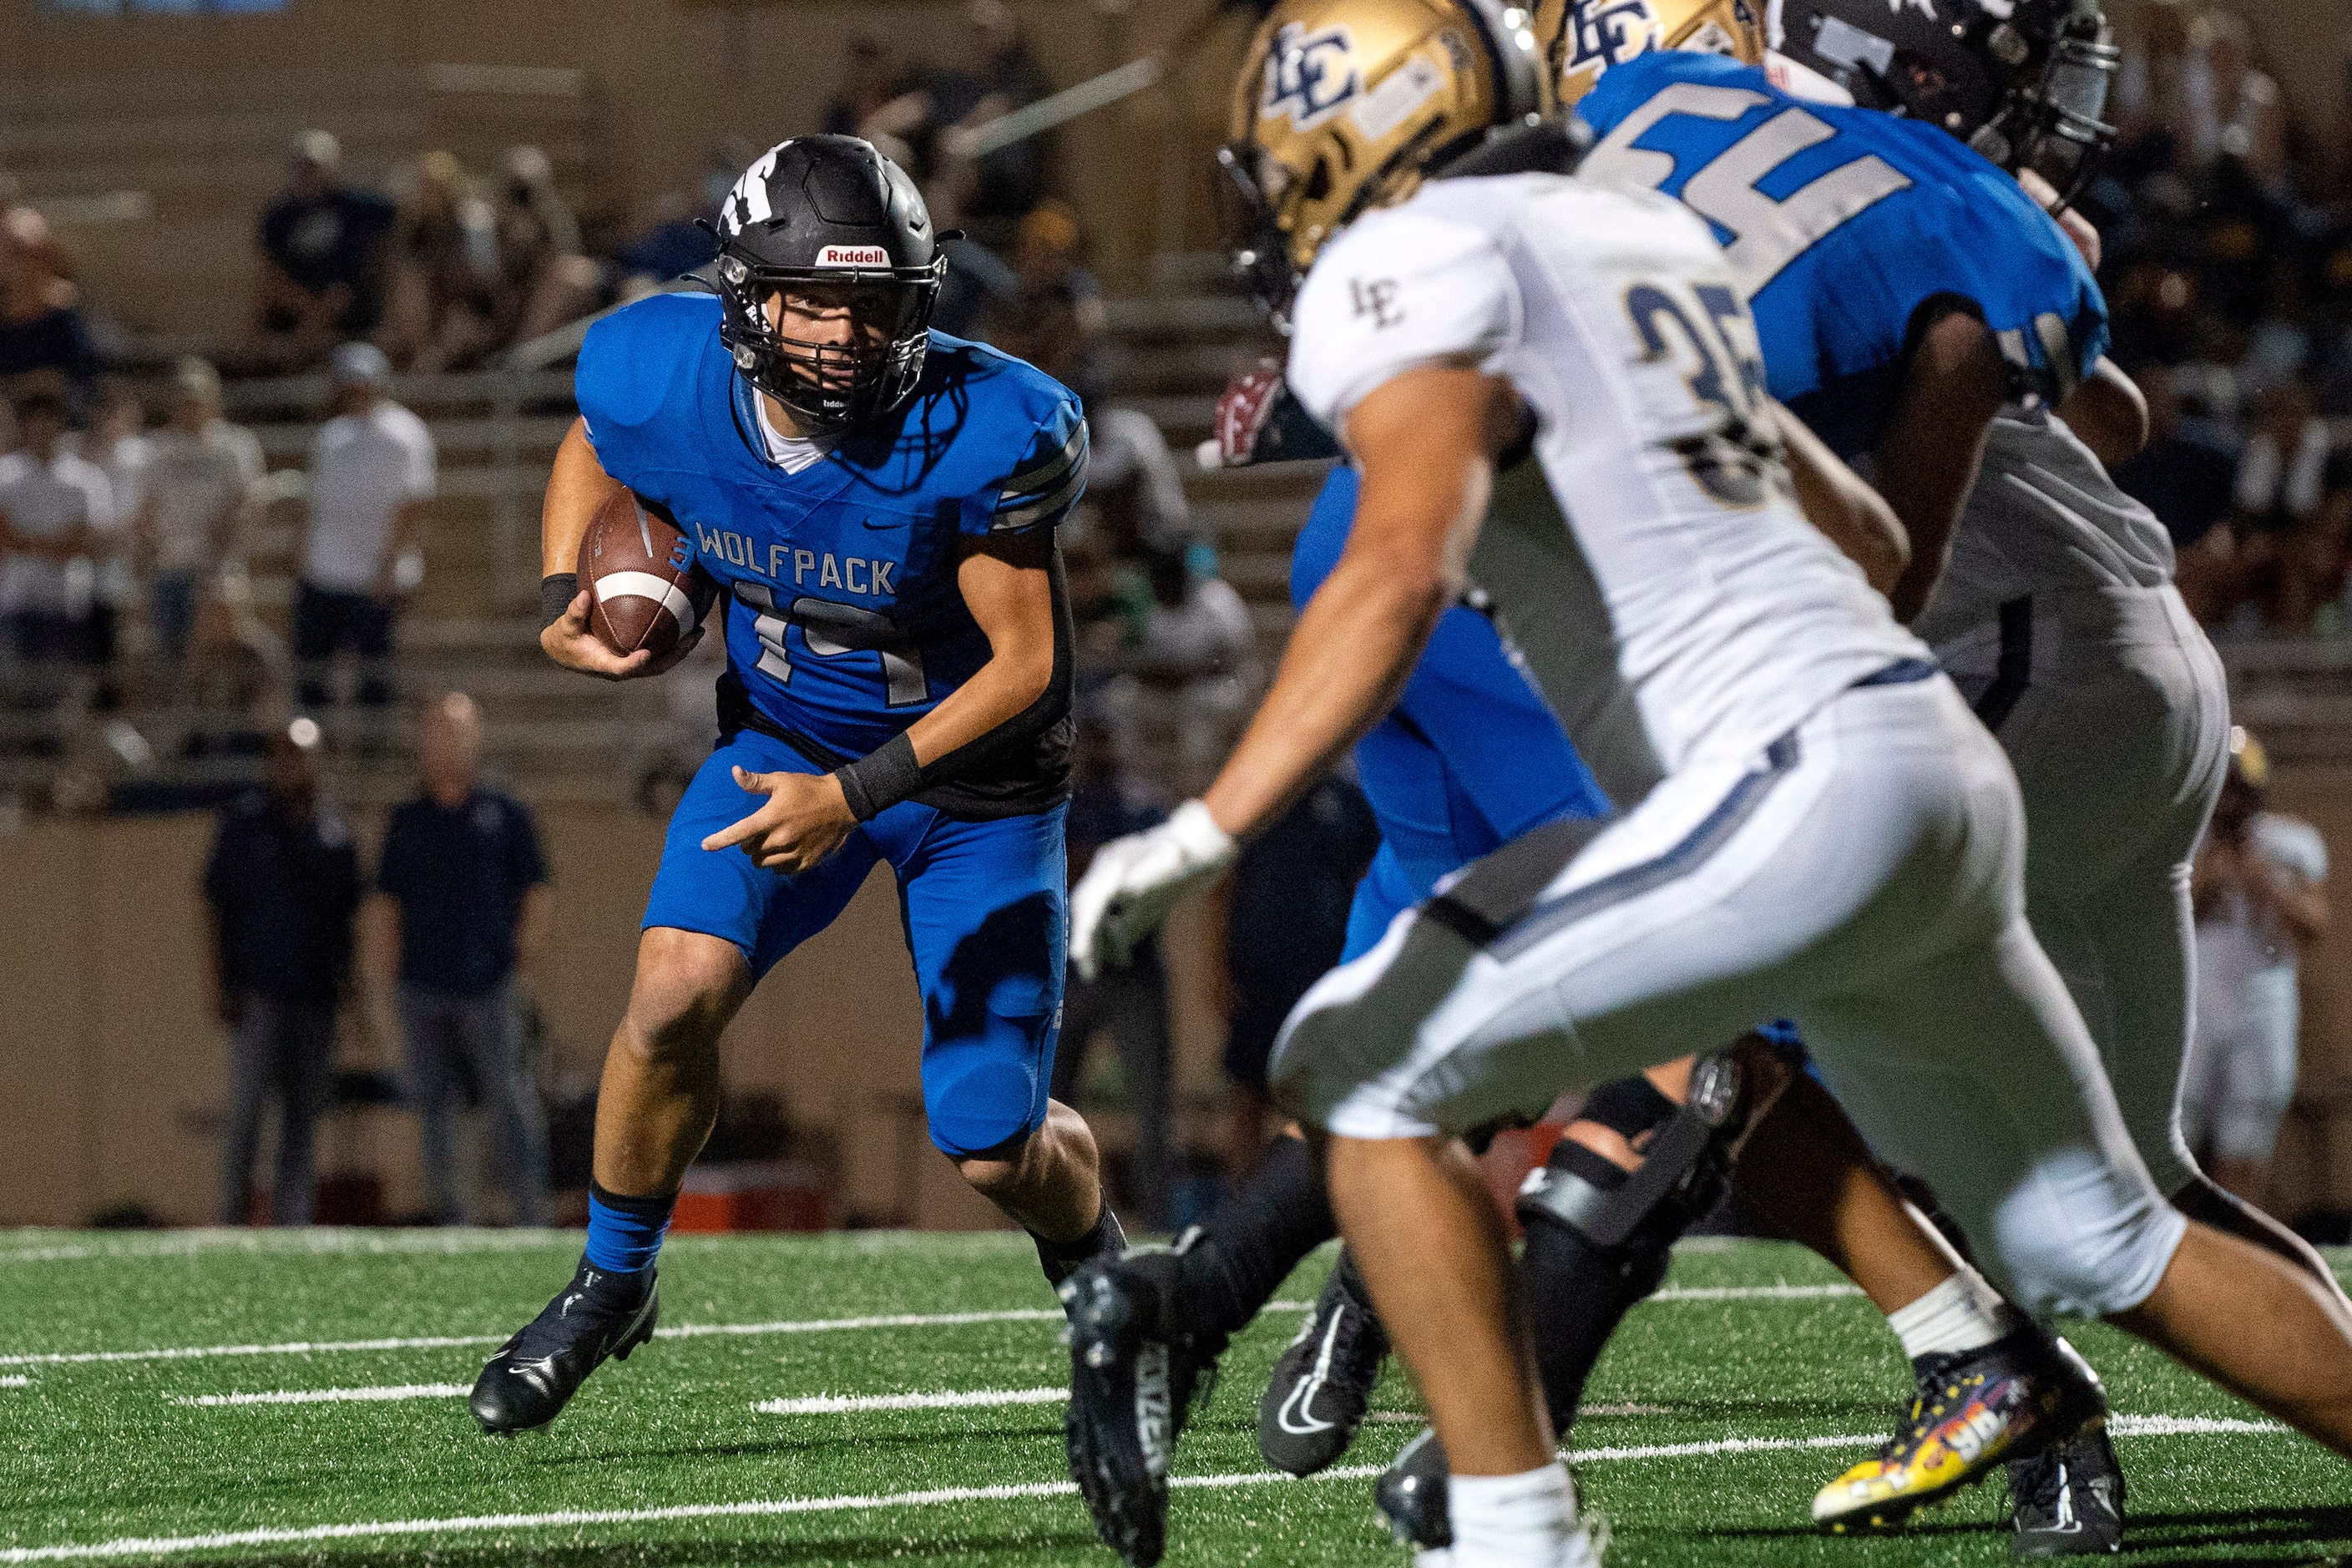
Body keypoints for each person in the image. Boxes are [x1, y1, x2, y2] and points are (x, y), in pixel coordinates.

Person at [1065, 6, 2352, 1565]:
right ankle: (1948, 1348)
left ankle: (1511, 1530)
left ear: (1358, 151)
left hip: (1790, 786)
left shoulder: (1409, 266)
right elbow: (1877, 548)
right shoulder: (1635, 238)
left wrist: (1211, 822)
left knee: (1362, 1066)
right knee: (2100, 1229)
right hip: (1926, 757)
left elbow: (1397, 561)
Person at [468, 134, 1116, 1437]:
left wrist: (857, 795)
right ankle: (612, 1280)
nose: (841, 331)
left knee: (989, 1140)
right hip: (781, 743)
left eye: (872, 302)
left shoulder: (980, 426)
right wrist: (563, 597)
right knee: (668, 998)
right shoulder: (662, 367)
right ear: (745, 296)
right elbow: (598, 443)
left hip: (969, 785)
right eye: (812, 298)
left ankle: (1102, 1273)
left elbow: (1026, 668)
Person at [367, 693, 553, 1226]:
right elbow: (386, 899)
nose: (447, 741)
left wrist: (521, 949)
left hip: (488, 982)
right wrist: (392, 964)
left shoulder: (504, 812)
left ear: (476, 738)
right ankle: (453, 1218)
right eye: (437, 731)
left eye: (457, 731)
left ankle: (529, 1213)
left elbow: (536, 888)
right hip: (422, 984)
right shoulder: (406, 819)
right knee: (435, 1110)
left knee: (510, 1101)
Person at [203, 716, 362, 1226]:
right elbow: (213, 903)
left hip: (316, 997)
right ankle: (233, 1218)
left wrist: (353, 995)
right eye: (284, 754)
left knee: (302, 1121)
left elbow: (347, 925)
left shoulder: (336, 835)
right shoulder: (245, 822)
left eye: (301, 755)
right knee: (247, 1115)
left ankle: (291, 1227)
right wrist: (218, 981)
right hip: (259, 993)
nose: (292, 765)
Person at [2187, 726, 2329, 1202]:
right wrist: (2210, 876)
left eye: (2237, 787)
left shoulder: (2287, 844)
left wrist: (2260, 881)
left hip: (2260, 1006)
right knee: (2178, 1139)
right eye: (2222, 787)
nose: (2228, 802)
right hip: (2194, 1006)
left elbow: (2314, 926)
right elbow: (2164, 921)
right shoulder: (2186, 845)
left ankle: (2246, 1254)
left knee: (2246, 1144)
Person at [1054, 718, 1177, 1228]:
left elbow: (1157, 870)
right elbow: (1070, 865)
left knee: (1151, 1105)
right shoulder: (1067, 805)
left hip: (1133, 969)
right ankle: (1053, 1213)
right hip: (1074, 968)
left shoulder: (1141, 804)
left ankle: (1157, 1215)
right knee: (1053, 1098)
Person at [293, 342, 433, 714]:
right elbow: (318, 505)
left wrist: (387, 570)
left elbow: (411, 503)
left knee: (374, 676)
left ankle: (372, 758)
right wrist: (303, 560)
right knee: (312, 673)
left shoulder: (405, 433)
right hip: (324, 570)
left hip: (375, 576)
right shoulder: (330, 436)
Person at [132, 357, 263, 672]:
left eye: (197, 401)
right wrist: (148, 549)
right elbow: (145, 507)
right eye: (184, 401)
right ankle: (176, 717)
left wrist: (231, 530)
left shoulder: (236, 445)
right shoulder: (157, 448)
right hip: (172, 564)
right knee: (170, 655)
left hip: (219, 567)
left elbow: (251, 502)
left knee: (227, 655)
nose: (191, 409)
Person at [245, 131, 396, 372]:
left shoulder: (354, 206)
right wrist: (307, 304)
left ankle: (294, 361)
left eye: (312, 167)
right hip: (297, 303)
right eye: (300, 166)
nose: (305, 173)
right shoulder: (279, 214)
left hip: (345, 303)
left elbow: (399, 211)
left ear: (330, 169)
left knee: (335, 299)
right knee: (269, 286)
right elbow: (269, 269)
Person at [0, 388, 111, 706]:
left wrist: (26, 541)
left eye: (48, 422)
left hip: (67, 603)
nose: (41, 431)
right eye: (33, 423)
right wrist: (59, 542)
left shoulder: (86, 479)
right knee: (17, 696)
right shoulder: (5, 475)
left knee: (58, 698)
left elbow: (89, 544)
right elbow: (4, 539)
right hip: (16, 601)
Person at [0, 207, 98, 417]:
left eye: (36, 256)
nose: (24, 266)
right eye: (16, 255)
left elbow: (85, 383)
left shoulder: (63, 320)